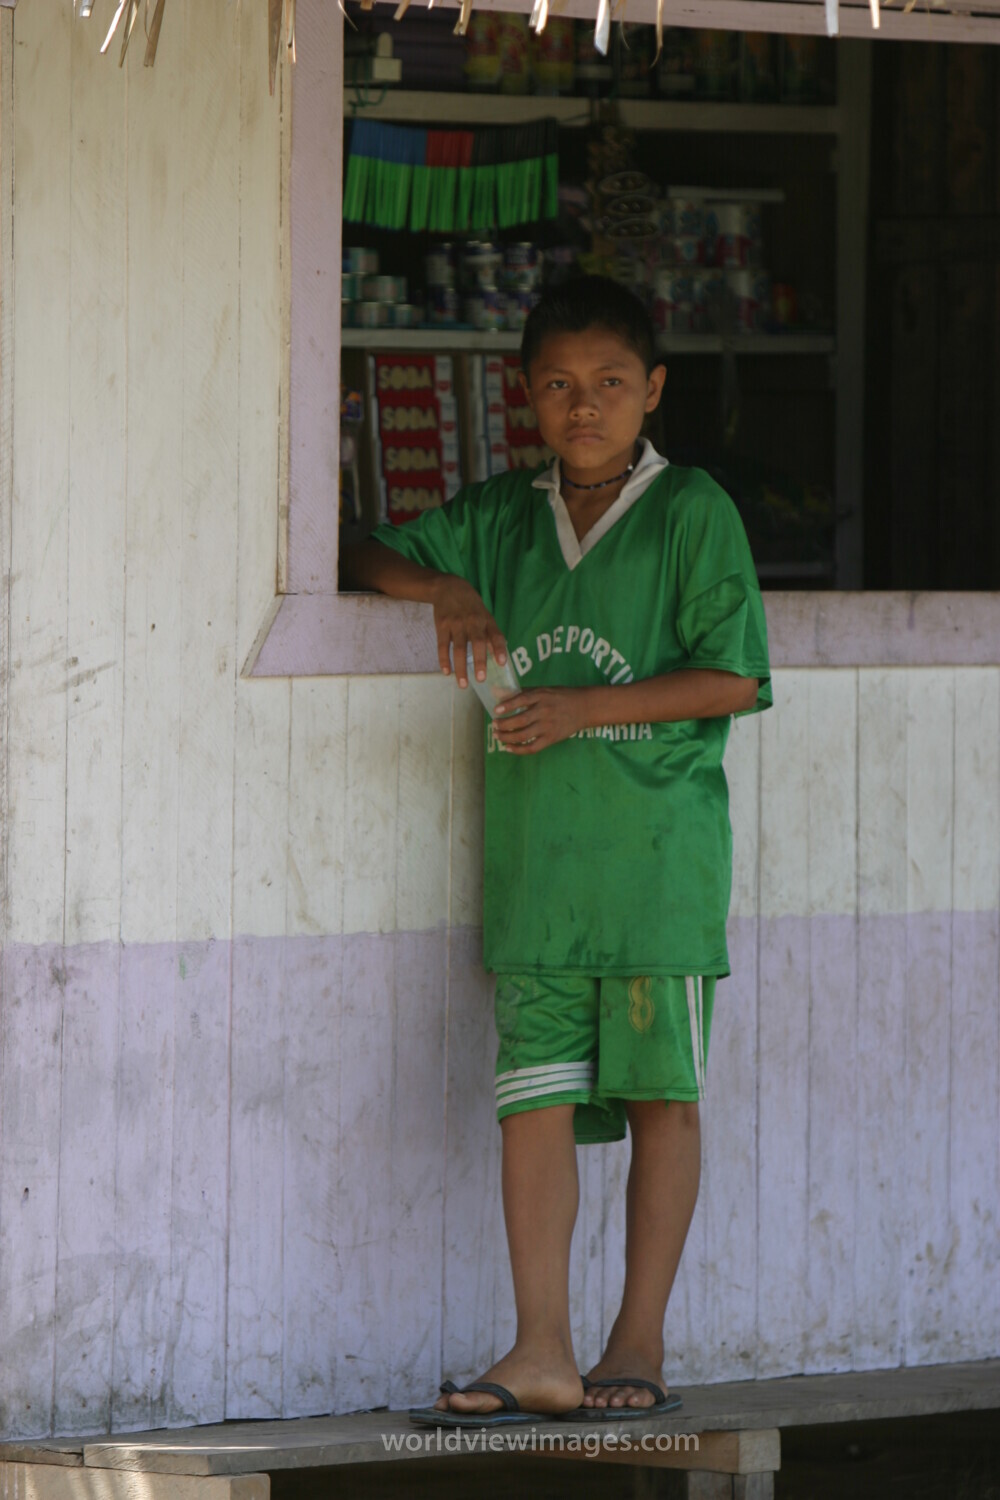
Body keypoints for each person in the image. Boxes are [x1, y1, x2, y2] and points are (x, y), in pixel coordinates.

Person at [345, 275, 772, 1427]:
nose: (583, 407)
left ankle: (638, 1338)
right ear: (522, 393)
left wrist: (580, 708)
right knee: (532, 1106)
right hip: (537, 873)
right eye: (558, 385)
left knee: (657, 1103)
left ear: (654, 391)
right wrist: (442, 588)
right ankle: (541, 1348)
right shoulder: (495, 518)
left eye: (611, 385)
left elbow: (736, 675)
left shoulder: (691, 510)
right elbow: (360, 546)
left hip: (654, 870)